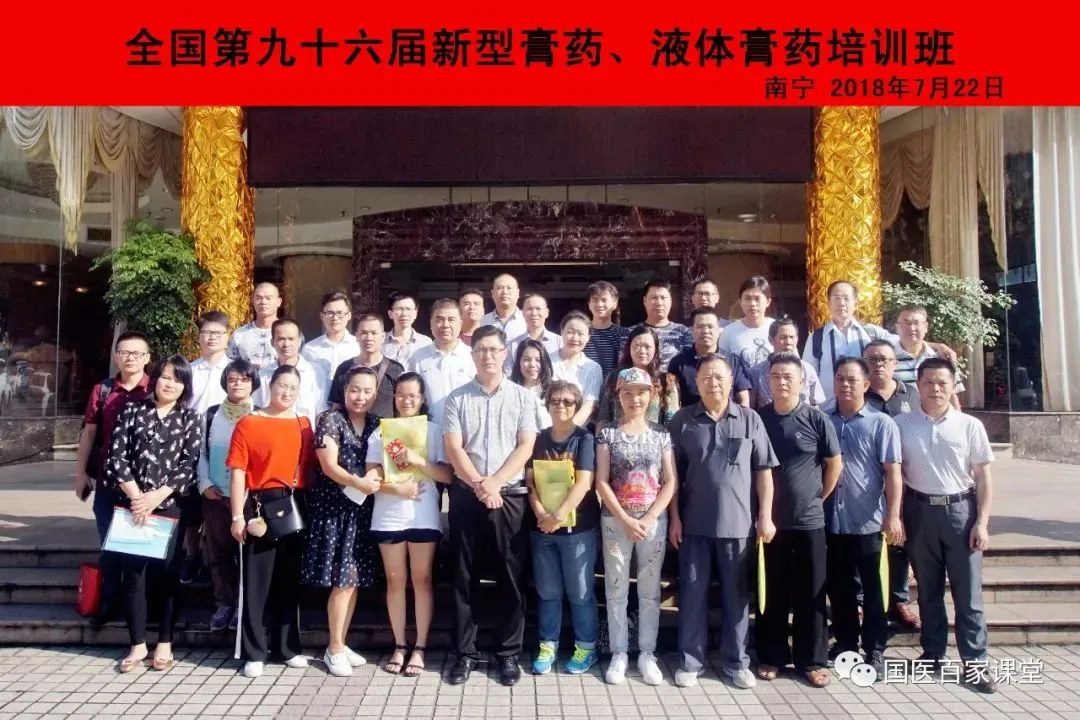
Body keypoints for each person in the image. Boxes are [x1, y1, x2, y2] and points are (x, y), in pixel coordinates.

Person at [667, 354, 778, 690]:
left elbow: (764, 472)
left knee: (736, 599)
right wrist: (674, 518)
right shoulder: (683, 420)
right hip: (693, 525)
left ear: (731, 382)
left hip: (739, 526)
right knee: (692, 595)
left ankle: (736, 662)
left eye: (719, 377)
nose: (712, 383)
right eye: (706, 377)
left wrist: (765, 515)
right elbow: (671, 477)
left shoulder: (749, 419)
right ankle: (691, 661)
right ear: (696, 382)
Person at [893, 357, 998, 694]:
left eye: (942, 383)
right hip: (919, 511)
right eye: (928, 382)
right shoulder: (901, 424)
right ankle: (933, 652)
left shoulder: (969, 425)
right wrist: (897, 516)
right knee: (928, 590)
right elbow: (894, 475)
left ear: (953, 386)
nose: (935, 389)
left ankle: (975, 662)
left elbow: (983, 477)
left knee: (968, 594)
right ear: (918, 385)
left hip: (960, 512)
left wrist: (982, 522)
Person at [443, 325, 539, 687]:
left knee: (510, 576)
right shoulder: (457, 398)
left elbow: (526, 445)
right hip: (467, 495)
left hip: (509, 496)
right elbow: (454, 448)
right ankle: (464, 653)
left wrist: (496, 483)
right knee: (463, 576)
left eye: (494, 349)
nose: (487, 356)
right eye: (481, 349)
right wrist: (481, 486)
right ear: (473, 355)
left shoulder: (523, 398)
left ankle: (508, 654)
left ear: (504, 354)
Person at [105, 356, 203, 673]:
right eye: (166, 377)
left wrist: (157, 497)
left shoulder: (190, 418)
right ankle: (136, 644)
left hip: (169, 505)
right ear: (155, 378)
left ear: (185, 386)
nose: (170, 384)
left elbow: (188, 464)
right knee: (134, 575)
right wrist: (138, 498)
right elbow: (117, 457)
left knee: (167, 574)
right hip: (133, 506)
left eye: (178, 379)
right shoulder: (132, 410)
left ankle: (164, 642)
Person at [753, 353, 841, 688]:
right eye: (775, 375)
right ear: (768, 380)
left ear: (802, 381)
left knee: (812, 593)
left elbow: (834, 464)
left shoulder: (816, 419)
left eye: (788, 376)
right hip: (770, 523)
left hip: (809, 522)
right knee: (772, 592)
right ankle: (772, 656)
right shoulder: (759, 419)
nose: (781, 381)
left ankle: (812, 660)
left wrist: (818, 497)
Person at [227, 365, 316, 679]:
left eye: (293, 388)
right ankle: (254, 651)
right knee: (257, 581)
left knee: (288, 579)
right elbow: (237, 472)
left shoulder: (304, 424)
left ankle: (287, 647)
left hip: (294, 503)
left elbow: (313, 467)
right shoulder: (249, 422)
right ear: (270, 385)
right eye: (282, 385)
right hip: (259, 505)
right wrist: (237, 515)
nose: (287, 392)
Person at [594, 367, 677, 686]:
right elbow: (602, 481)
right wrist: (626, 519)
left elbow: (670, 482)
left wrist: (648, 518)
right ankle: (619, 652)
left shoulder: (661, 434)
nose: (635, 399)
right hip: (616, 521)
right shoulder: (607, 433)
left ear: (651, 395)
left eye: (641, 392)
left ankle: (647, 653)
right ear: (619, 396)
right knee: (615, 588)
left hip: (652, 522)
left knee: (649, 590)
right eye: (628, 393)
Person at [822, 357, 904, 680]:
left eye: (852, 379)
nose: (845, 384)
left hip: (868, 521)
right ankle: (846, 644)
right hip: (832, 521)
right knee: (840, 587)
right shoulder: (823, 419)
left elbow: (893, 473)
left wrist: (893, 515)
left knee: (873, 590)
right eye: (840, 378)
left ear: (866, 384)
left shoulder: (881, 423)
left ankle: (875, 649)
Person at [366, 372, 452, 677]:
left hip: (424, 514)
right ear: (394, 397)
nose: (406, 400)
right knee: (394, 579)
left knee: (422, 579)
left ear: (422, 399)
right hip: (388, 514)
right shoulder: (381, 432)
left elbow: (447, 476)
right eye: (401, 395)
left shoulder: (434, 431)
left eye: (413, 395)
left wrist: (418, 460)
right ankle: (400, 644)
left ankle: (421, 647)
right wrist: (397, 489)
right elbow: (371, 477)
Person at [303, 365, 384, 676]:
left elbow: (381, 461)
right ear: (344, 390)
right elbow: (329, 465)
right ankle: (334, 647)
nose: (360, 396)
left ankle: (341, 640)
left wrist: (373, 477)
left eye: (367, 391)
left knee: (353, 580)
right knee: (343, 580)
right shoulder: (330, 419)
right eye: (354, 390)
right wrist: (358, 482)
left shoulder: (377, 422)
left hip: (362, 511)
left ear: (375, 394)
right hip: (334, 512)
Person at [74, 330, 152, 628]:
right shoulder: (103, 390)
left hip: (145, 485)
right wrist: (81, 473)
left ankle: (142, 606)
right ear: (116, 356)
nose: (130, 358)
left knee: (143, 548)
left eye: (137, 353)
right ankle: (109, 600)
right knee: (109, 545)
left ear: (147, 358)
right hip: (108, 483)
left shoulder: (157, 388)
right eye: (124, 352)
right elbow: (89, 433)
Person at [526, 381, 599, 676]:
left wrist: (558, 515)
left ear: (577, 406)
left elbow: (584, 483)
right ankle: (548, 645)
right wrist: (541, 513)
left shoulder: (585, 438)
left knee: (581, 593)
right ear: (547, 404)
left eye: (569, 402)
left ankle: (586, 647)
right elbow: (530, 482)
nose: (561, 406)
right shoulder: (538, 439)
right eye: (555, 400)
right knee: (548, 592)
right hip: (543, 529)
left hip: (578, 529)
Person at [862, 339, 922, 630]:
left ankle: (899, 600)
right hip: (869, 482)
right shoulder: (860, 394)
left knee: (899, 542)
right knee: (867, 543)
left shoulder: (911, 394)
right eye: (872, 359)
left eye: (884, 359)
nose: (878, 364)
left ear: (895, 363)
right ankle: (862, 602)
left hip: (907, 481)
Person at [196, 358, 259, 632]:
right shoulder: (212, 414)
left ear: (253, 383)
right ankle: (225, 603)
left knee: (246, 555)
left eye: (244, 379)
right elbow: (201, 452)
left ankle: (245, 605)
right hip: (215, 495)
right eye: (232, 379)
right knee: (218, 551)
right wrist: (204, 483)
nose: (238, 384)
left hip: (248, 498)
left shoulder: (260, 415)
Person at [597, 325, 681, 427]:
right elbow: (603, 419)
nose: (642, 351)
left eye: (647, 347)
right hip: (617, 435)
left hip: (655, 436)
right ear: (629, 347)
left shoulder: (666, 382)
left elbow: (672, 421)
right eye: (637, 345)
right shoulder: (614, 377)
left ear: (655, 350)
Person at [669, 305, 752, 407]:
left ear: (718, 330)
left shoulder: (733, 361)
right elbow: (672, 403)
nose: (706, 331)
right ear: (691, 330)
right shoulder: (678, 363)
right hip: (690, 416)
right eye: (700, 326)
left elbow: (743, 399)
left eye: (710, 326)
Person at [407, 299, 475, 423]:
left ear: (460, 324)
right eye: (439, 320)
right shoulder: (418, 357)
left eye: (451, 319)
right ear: (431, 324)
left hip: (466, 428)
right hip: (429, 429)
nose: (445, 325)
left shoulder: (472, 356)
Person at [252, 318, 328, 428]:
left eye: (291, 339)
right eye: (281, 339)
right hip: (272, 432)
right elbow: (257, 407)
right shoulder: (263, 375)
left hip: (305, 434)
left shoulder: (315, 372)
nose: (286, 344)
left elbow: (321, 410)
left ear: (300, 341)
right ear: (272, 342)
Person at [329, 312, 404, 418]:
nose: (369, 338)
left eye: (374, 333)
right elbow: (336, 407)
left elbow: (402, 409)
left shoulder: (396, 369)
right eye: (364, 333)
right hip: (350, 428)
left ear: (383, 336)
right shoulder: (344, 369)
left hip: (385, 428)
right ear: (356, 336)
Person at [749, 317, 826, 408]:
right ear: (771, 340)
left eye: (792, 337)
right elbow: (750, 408)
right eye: (783, 337)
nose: (788, 342)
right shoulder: (757, 372)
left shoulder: (807, 369)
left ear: (797, 338)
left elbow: (815, 405)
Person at [229, 283, 303, 370]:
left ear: (278, 302)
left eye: (268, 298)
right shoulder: (239, 334)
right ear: (253, 301)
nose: (263, 302)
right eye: (259, 298)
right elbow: (231, 367)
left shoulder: (291, 332)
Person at [549, 311, 604, 427]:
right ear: (561, 332)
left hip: (577, 431)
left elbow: (589, 405)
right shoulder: (546, 361)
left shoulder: (593, 368)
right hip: (544, 429)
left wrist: (568, 429)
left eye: (580, 334)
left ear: (588, 337)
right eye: (570, 332)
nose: (575, 338)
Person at [632, 279, 692, 373]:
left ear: (671, 301)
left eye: (663, 298)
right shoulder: (631, 332)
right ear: (644, 300)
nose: (659, 303)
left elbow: (689, 367)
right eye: (654, 297)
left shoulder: (684, 332)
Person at [301, 290, 361, 381]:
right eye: (330, 313)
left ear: (349, 316)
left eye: (340, 313)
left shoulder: (358, 346)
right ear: (322, 316)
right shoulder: (310, 349)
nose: (335, 318)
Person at [718, 276, 776, 367]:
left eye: (757, 299)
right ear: (740, 302)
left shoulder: (778, 328)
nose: (752, 304)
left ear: (768, 302)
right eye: (747, 298)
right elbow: (722, 367)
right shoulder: (729, 332)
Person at [505, 293, 562, 374]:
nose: (534, 313)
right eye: (529, 309)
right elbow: (508, 374)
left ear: (546, 313)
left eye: (538, 309)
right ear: (523, 313)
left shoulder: (559, 342)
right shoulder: (512, 345)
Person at [583, 281, 630, 379]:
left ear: (615, 304)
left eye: (604, 300)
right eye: (595, 300)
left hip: (614, 386)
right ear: (589, 304)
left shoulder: (624, 334)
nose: (599, 304)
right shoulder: (581, 332)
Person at [509, 338, 554, 429]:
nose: (532, 365)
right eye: (526, 359)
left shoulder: (554, 391)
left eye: (538, 360)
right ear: (518, 362)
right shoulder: (509, 390)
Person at [384, 291, 433, 366]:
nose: (404, 313)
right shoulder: (381, 341)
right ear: (390, 314)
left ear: (415, 313)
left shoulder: (425, 342)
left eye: (408, 309)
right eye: (399, 309)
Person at [480, 273, 528, 341]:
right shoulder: (483, 322)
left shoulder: (528, 320)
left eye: (509, 288)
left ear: (517, 293)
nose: (505, 292)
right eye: (500, 288)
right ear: (492, 293)